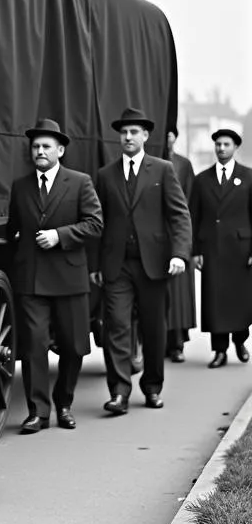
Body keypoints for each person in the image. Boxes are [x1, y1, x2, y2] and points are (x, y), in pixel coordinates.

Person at [91, 107, 191, 415]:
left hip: (154, 264)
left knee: (153, 328)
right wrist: (95, 264)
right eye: (124, 132)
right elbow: (97, 223)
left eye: (134, 132)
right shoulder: (105, 175)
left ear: (146, 136)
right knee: (117, 327)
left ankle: (152, 387)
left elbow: (179, 214)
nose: (128, 137)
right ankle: (119, 392)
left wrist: (179, 253)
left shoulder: (162, 170)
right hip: (117, 265)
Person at [6, 119, 103, 432]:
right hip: (32, 280)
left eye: (46, 146)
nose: (40, 151)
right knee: (34, 346)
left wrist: (59, 235)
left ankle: (64, 403)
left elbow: (95, 224)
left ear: (60, 150)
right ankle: (38, 412)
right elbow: (12, 230)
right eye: (35, 146)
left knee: (74, 346)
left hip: (70, 280)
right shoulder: (20, 186)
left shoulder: (80, 182)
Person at [190, 128, 252, 368]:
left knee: (239, 300)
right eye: (218, 144)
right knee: (215, 300)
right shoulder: (202, 179)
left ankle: (240, 340)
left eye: (226, 144)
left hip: (240, 249)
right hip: (212, 249)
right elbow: (193, 216)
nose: (221, 149)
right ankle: (219, 350)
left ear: (235, 147)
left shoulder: (247, 177)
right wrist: (194, 251)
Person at [165, 128, 197, 362]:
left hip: (178, 234)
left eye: (170, 134)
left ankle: (177, 343)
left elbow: (190, 205)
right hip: (155, 236)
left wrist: (190, 246)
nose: (167, 138)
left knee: (178, 294)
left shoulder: (183, 164)